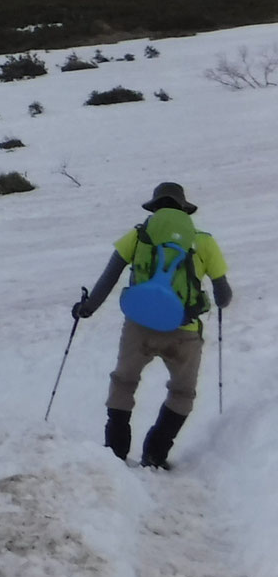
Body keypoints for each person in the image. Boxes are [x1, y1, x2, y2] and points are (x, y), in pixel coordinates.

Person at [73, 182, 233, 469]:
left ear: (155, 208)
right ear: (184, 209)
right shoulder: (203, 241)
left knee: (124, 382)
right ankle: (155, 453)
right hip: (183, 331)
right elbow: (224, 296)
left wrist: (86, 308)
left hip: (139, 326)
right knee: (182, 393)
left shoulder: (138, 235)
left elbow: (108, 278)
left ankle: (115, 453)